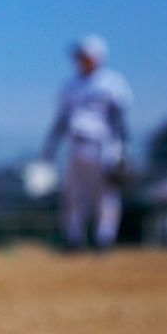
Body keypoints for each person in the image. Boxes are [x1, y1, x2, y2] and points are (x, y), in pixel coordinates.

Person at [41, 35, 133, 251]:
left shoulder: (112, 82)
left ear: (97, 57)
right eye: (79, 56)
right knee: (73, 194)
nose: (80, 59)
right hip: (76, 145)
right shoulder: (70, 85)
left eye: (84, 56)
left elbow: (119, 117)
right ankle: (74, 238)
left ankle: (104, 239)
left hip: (104, 144)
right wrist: (50, 147)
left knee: (106, 195)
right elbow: (62, 118)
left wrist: (123, 148)